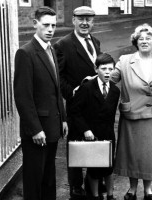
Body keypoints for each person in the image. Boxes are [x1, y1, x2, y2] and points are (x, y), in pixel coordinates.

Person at [111, 23, 152, 200]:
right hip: (132, 116)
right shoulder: (125, 61)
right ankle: (132, 189)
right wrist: (92, 77)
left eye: (148, 38)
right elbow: (109, 77)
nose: (145, 41)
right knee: (133, 154)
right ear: (135, 42)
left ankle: (148, 190)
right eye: (141, 39)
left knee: (150, 156)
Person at [14, 6, 68, 200]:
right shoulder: (25, 53)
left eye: (53, 25)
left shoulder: (50, 49)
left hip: (52, 127)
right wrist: (35, 129)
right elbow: (23, 97)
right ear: (35, 24)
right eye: (46, 25)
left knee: (48, 179)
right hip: (37, 132)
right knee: (34, 180)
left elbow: (56, 89)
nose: (51, 30)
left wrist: (63, 118)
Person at [53, 6, 102, 199]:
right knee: (75, 144)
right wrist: (71, 92)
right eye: (81, 19)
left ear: (93, 22)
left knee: (93, 143)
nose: (85, 23)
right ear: (73, 20)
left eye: (89, 19)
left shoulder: (96, 41)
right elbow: (59, 76)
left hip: (95, 104)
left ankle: (92, 182)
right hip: (75, 105)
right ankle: (75, 185)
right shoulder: (63, 44)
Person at [70, 53, 120, 200]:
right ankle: (96, 196)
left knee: (109, 167)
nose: (107, 72)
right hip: (92, 135)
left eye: (110, 69)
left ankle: (110, 196)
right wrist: (86, 129)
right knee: (94, 168)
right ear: (96, 69)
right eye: (103, 69)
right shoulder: (86, 88)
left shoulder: (115, 90)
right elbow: (75, 111)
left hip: (108, 135)